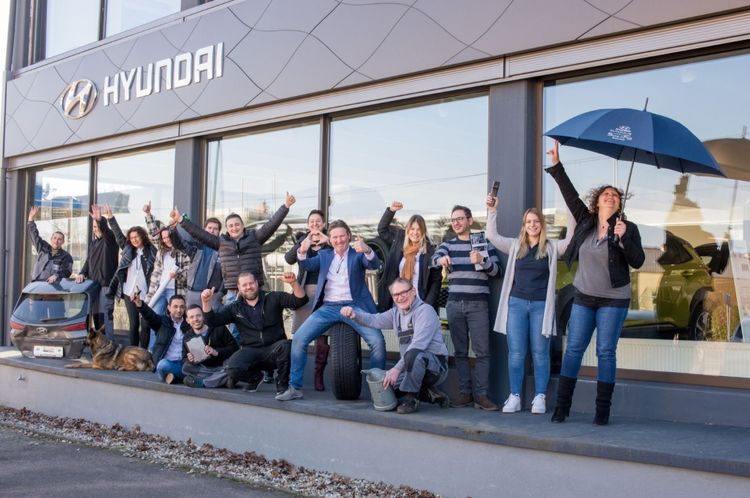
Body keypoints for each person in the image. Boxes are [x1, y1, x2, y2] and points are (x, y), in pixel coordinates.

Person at [545, 140, 645, 425]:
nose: (610, 196)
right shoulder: (586, 221)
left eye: (615, 195)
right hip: (584, 297)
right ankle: (562, 408)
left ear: (619, 203)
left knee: (605, 352)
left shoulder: (628, 228)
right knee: (574, 350)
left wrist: (623, 238)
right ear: (598, 201)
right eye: (606, 194)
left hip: (614, 300)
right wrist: (557, 165)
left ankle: (602, 412)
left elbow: (638, 261)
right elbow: (570, 194)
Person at [276, 220, 386, 401]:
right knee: (299, 339)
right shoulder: (325, 255)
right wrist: (302, 251)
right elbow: (306, 265)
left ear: (348, 236)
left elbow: (374, 264)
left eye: (342, 236)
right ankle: (295, 387)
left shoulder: (357, 254)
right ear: (330, 239)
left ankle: (379, 390)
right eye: (335, 237)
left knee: (377, 342)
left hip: (354, 306)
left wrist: (367, 250)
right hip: (328, 307)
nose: (339, 240)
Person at [485, 191, 574, 414]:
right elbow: (492, 236)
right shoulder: (515, 246)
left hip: (541, 306)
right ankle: (514, 396)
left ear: (542, 225)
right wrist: (492, 210)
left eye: (536, 221)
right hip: (516, 304)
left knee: (540, 353)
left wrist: (570, 209)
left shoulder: (551, 247)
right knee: (516, 353)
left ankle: (539, 397)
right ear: (524, 226)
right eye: (528, 222)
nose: (532, 225)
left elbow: (571, 240)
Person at [341, 278, 449, 414]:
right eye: (396, 295)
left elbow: (418, 345)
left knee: (414, 353)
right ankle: (429, 394)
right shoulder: (395, 313)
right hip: (409, 368)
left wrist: (396, 369)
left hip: (435, 368)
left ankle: (411, 399)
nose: (400, 297)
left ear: (413, 291)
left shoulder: (425, 311)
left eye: (404, 292)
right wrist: (355, 315)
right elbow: (374, 320)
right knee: (385, 389)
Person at [432, 205, 501, 411]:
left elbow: (497, 271)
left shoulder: (483, 243)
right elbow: (434, 260)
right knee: (460, 352)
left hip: (478, 304)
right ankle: (465, 394)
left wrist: (483, 261)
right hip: (454, 304)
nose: (456, 223)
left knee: (482, 352)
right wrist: (441, 259)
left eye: (460, 219)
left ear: (470, 221)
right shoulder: (448, 245)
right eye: (453, 220)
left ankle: (482, 396)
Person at [202, 272, 307, 394]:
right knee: (232, 367)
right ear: (239, 288)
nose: (248, 287)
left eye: (251, 283)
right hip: (250, 351)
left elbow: (300, 300)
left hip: (274, 350)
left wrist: (294, 283)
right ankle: (255, 378)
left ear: (257, 283)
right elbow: (212, 321)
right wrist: (206, 302)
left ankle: (282, 385)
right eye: (244, 285)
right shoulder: (234, 307)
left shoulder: (273, 297)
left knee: (286, 346)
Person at [284, 209, 331, 391]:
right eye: (311, 221)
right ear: (308, 224)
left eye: (318, 221)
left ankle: (319, 376)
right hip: (303, 292)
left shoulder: (330, 240)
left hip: (325, 293)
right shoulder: (303, 240)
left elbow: (341, 254)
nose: (315, 224)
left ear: (323, 224)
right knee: (299, 336)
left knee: (322, 336)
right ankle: (295, 377)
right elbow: (289, 259)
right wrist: (302, 243)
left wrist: (328, 241)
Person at [104, 204, 158, 348]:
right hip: (129, 292)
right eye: (132, 237)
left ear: (142, 236)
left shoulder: (151, 250)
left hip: (147, 293)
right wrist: (110, 217)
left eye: (136, 237)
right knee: (133, 324)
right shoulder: (128, 249)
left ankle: (143, 352)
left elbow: (155, 235)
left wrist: (148, 214)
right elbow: (118, 235)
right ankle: (133, 352)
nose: (134, 240)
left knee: (145, 324)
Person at [377, 201, 442, 312]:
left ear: (423, 231)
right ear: (407, 230)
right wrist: (391, 211)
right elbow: (382, 230)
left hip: (420, 303)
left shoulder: (430, 251)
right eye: (412, 229)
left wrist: (428, 305)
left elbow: (435, 281)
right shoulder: (399, 242)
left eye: (419, 229)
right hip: (398, 302)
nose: (415, 233)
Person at [144, 202, 189, 351]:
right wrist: (148, 215)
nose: (166, 239)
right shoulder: (161, 250)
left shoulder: (182, 250)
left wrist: (178, 274)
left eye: (168, 236)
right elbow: (153, 233)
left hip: (174, 291)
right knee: (154, 319)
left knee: (175, 320)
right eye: (163, 238)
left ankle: (173, 349)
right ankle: (152, 350)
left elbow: (188, 269)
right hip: (159, 290)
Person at [75, 205, 119, 340]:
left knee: (106, 319)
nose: (96, 228)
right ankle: (100, 346)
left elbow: (106, 230)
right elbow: (89, 261)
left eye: (98, 226)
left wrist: (100, 220)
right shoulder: (93, 243)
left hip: (106, 285)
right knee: (97, 318)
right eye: (94, 226)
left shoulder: (110, 240)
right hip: (94, 285)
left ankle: (109, 346)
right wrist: (82, 273)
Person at [131, 293, 190, 384]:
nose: (179, 310)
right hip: (167, 362)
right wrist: (140, 304)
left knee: (193, 367)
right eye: (175, 306)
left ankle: (174, 377)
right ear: (169, 308)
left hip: (183, 363)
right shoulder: (163, 322)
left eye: (182, 307)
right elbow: (150, 316)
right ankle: (184, 377)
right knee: (162, 365)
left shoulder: (189, 324)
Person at [169, 217, 223, 309]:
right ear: (204, 230)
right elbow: (179, 244)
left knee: (212, 319)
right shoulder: (197, 246)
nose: (212, 231)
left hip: (213, 295)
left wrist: (220, 293)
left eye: (215, 229)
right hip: (193, 293)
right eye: (209, 228)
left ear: (219, 232)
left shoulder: (222, 250)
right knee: (193, 318)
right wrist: (173, 229)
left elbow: (227, 275)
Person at [181, 304, 238, 388]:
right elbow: (184, 358)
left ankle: (204, 383)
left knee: (234, 366)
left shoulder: (219, 327)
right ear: (187, 320)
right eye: (192, 317)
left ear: (203, 316)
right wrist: (189, 359)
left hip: (222, 365)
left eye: (198, 315)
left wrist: (216, 352)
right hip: (204, 369)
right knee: (186, 368)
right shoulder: (187, 336)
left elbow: (235, 348)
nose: (196, 319)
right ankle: (223, 380)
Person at [27, 206, 73, 284]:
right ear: (51, 239)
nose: (56, 241)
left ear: (63, 242)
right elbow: (34, 236)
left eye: (59, 239)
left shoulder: (66, 256)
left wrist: (56, 275)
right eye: (54, 238)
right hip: (36, 284)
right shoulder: (43, 248)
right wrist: (31, 219)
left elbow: (67, 271)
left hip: (52, 287)